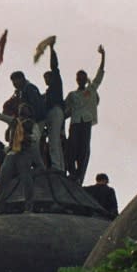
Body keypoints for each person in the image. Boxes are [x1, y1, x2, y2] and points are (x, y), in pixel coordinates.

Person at [65, 45, 106, 185]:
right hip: (75, 122)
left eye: (83, 77)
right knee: (72, 148)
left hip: (86, 122)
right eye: (79, 77)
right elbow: (65, 109)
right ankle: (72, 172)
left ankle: (79, 177)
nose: (81, 79)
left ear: (85, 79)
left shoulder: (91, 89)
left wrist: (103, 56)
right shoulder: (72, 95)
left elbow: (99, 75)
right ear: (76, 79)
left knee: (84, 150)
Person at [41, 37, 65, 171]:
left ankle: (57, 166)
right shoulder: (48, 92)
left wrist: (51, 49)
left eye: (47, 77)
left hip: (55, 111)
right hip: (53, 112)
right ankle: (59, 165)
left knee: (54, 141)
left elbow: (54, 66)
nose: (46, 80)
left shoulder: (56, 84)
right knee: (55, 141)